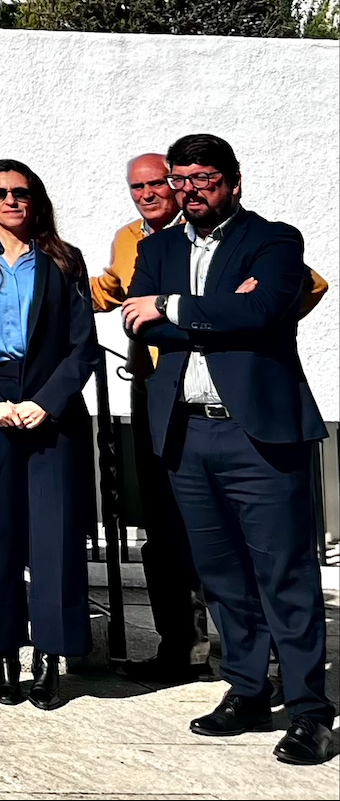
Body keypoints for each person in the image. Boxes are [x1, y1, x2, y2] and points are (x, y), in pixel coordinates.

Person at [123, 136, 336, 765]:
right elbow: (140, 323)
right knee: (221, 575)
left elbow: (268, 310)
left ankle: (309, 712)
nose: (189, 189)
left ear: (234, 182)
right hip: (187, 432)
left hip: (259, 434)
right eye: (180, 178)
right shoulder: (157, 247)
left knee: (285, 574)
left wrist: (172, 303)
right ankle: (247, 689)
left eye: (204, 178)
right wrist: (217, 309)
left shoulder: (273, 240)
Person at [0, 158, 95, 712]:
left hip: (48, 406)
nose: (11, 202)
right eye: (0, 194)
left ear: (36, 200)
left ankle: (50, 658)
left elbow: (82, 346)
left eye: (21, 193)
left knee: (54, 538)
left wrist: (44, 403)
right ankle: (5, 654)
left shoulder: (64, 260)